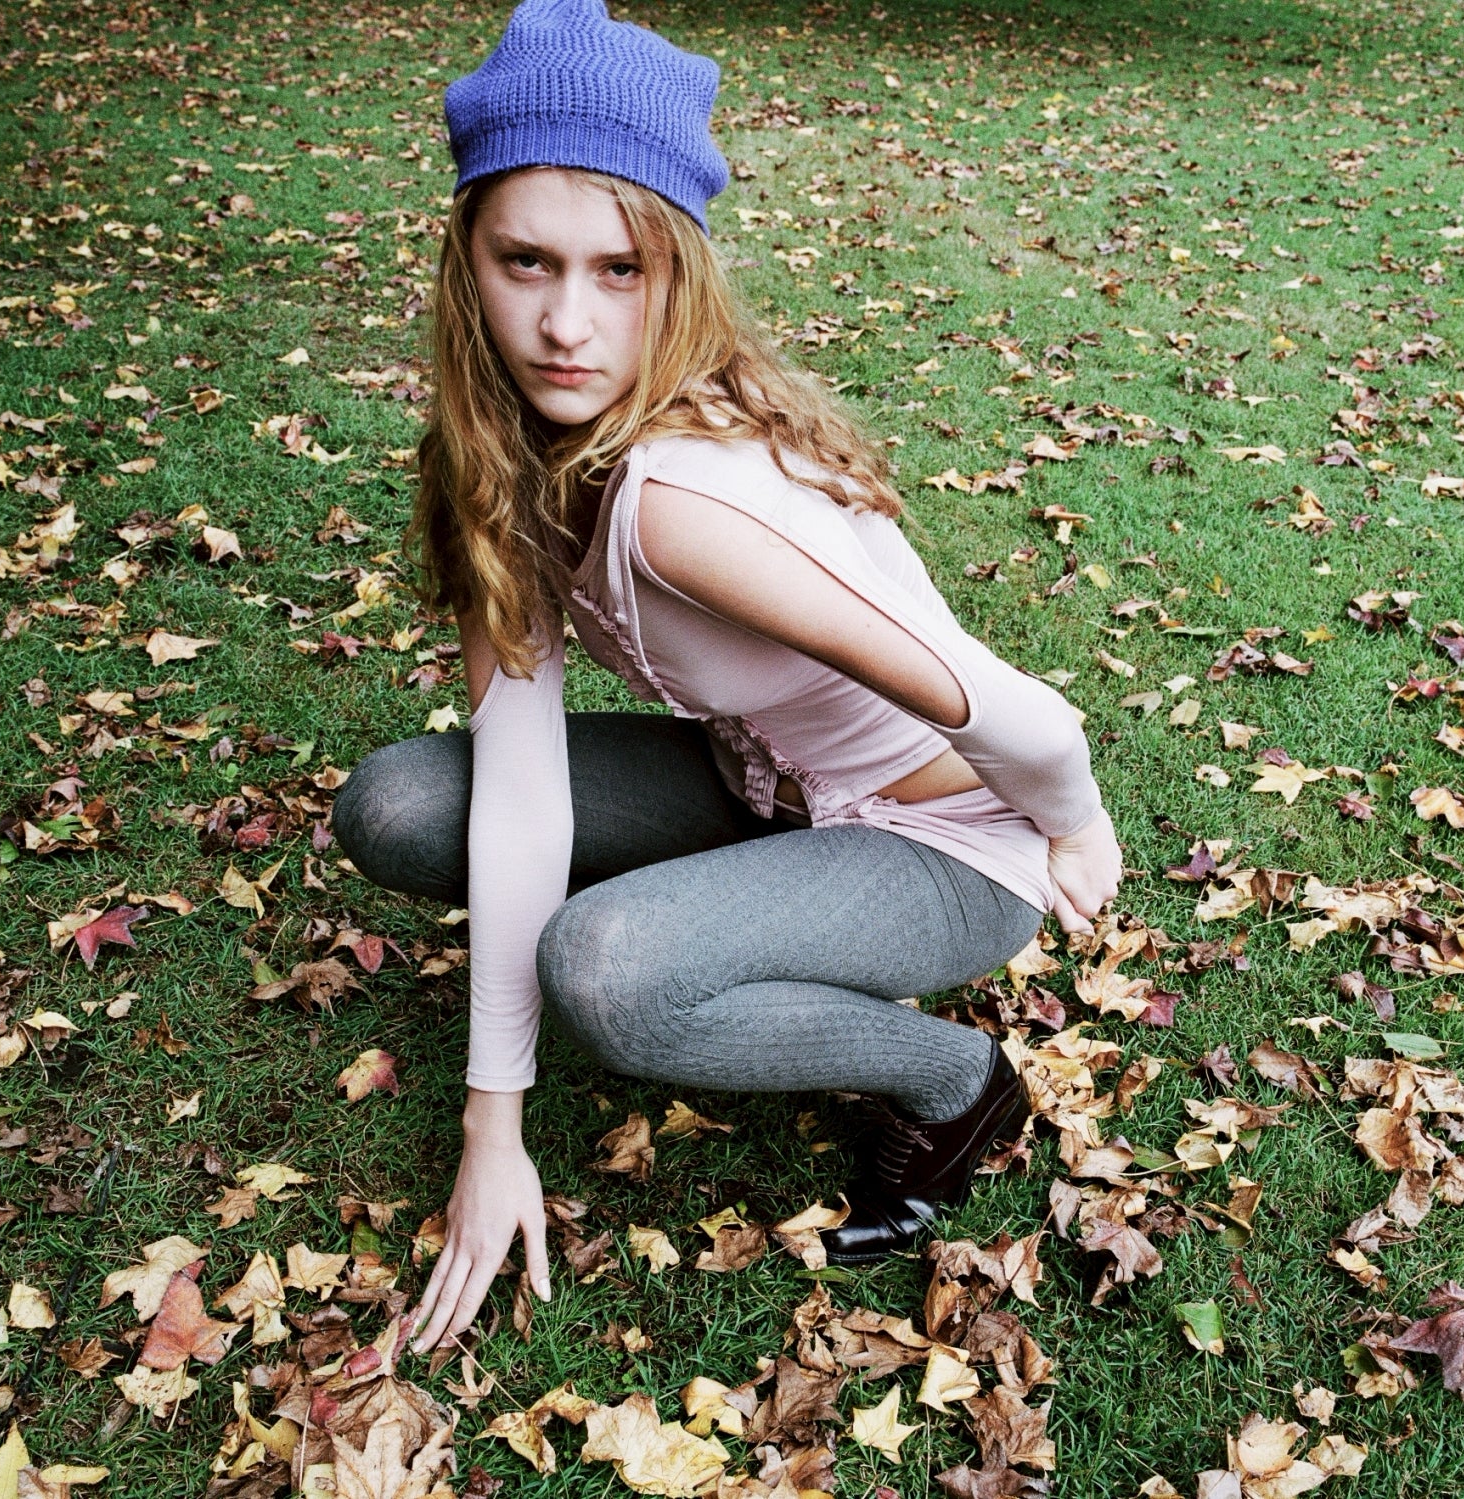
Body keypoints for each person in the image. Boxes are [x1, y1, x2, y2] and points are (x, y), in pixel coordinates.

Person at [330, 0, 1124, 1354]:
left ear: (680, 273)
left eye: (619, 270)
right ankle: (732, 916)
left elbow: (1029, 720)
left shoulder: (684, 503)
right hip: (760, 785)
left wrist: (1076, 826)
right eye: (526, 261)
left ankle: (957, 1080)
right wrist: (490, 1128)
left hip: (943, 841)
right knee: (400, 805)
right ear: (467, 261)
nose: (565, 323)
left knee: (608, 972)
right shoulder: (498, 457)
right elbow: (517, 789)